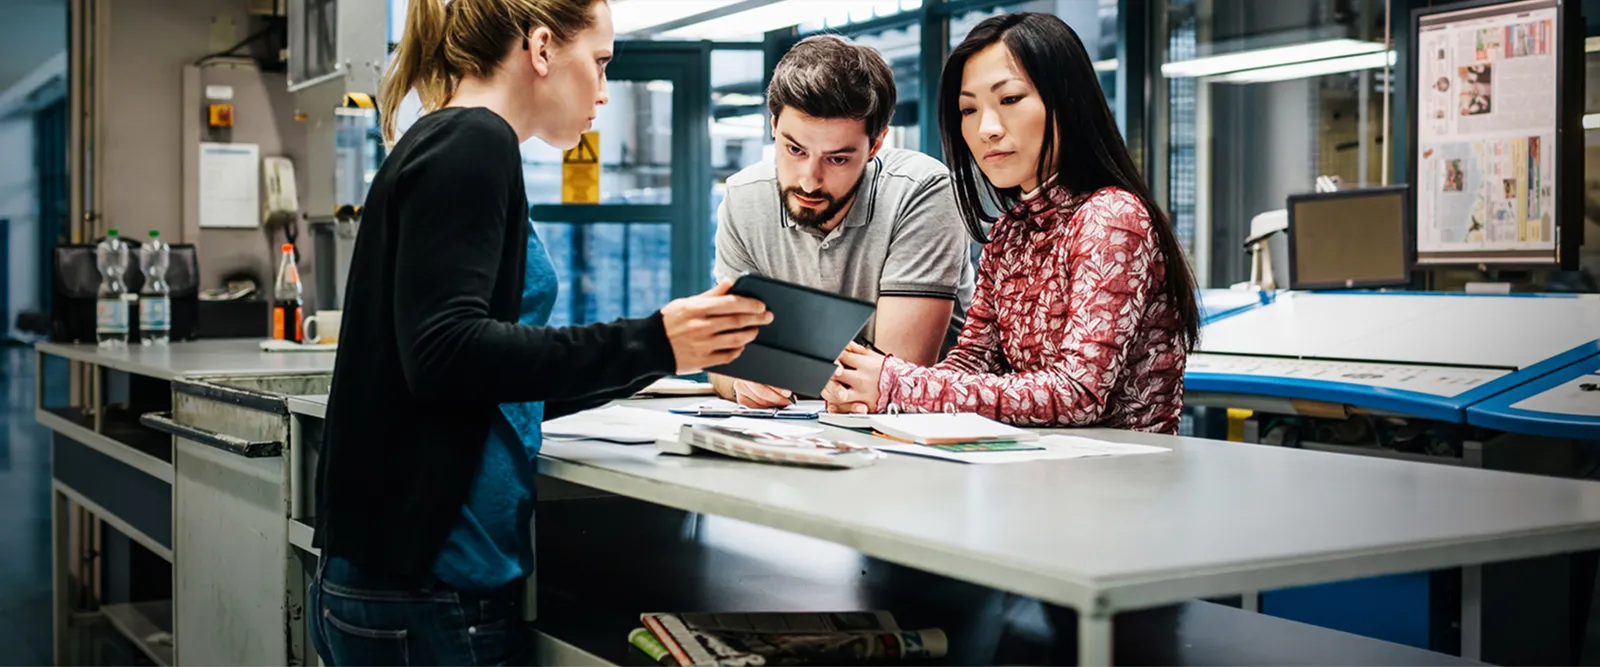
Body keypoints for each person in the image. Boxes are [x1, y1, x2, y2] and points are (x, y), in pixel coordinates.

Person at [308, 0, 771, 664]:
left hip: (399, 588)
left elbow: (492, 382)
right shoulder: (474, 142)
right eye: (601, 62)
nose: (605, 93)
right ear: (544, 47)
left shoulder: (446, 137)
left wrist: (661, 358)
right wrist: (652, 340)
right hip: (429, 592)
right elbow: (445, 353)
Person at [823, 12, 1201, 434]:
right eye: (968, 109)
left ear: (1068, 100)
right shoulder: (1011, 231)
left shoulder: (1113, 217)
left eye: (1010, 99)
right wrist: (864, 388)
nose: (986, 129)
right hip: (1037, 472)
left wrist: (899, 385)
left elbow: (1079, 394)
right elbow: (972, 362)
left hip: (1123, 481)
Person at [711, 34, 976, 408]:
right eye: (795, 149)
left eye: (837, 158)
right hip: (805, 435)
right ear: (773, 124)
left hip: (919, 436)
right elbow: (724, 355)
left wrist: (776, 362)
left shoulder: (922, 191)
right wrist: (742, 378)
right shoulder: (743, 196)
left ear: (876, 144)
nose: (808, 180)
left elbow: (890, 379)